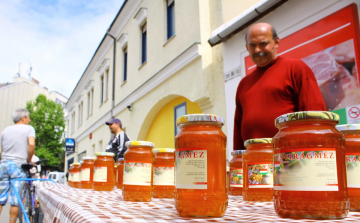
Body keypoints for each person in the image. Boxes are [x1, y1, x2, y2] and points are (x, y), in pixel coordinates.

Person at [233, 23, 326, 150]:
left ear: (276, 42)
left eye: (263, 44)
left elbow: (315, 117)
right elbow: (238, 130)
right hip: (255, 163)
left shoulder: (296, 69)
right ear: (247, 47)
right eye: (252, 45)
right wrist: (239, 160)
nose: (257, 50)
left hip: (291, 160)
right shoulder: (243, 84)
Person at [0, 108, 35, 223]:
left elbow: (2, 150)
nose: (29, 120)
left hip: (3, 164)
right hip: (17, 165)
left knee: (0, 198)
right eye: (28, 117)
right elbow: (31, 144)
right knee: (16, 200)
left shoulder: (5, 130)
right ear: (22, 118)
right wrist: (29, 160)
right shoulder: (29, 129)